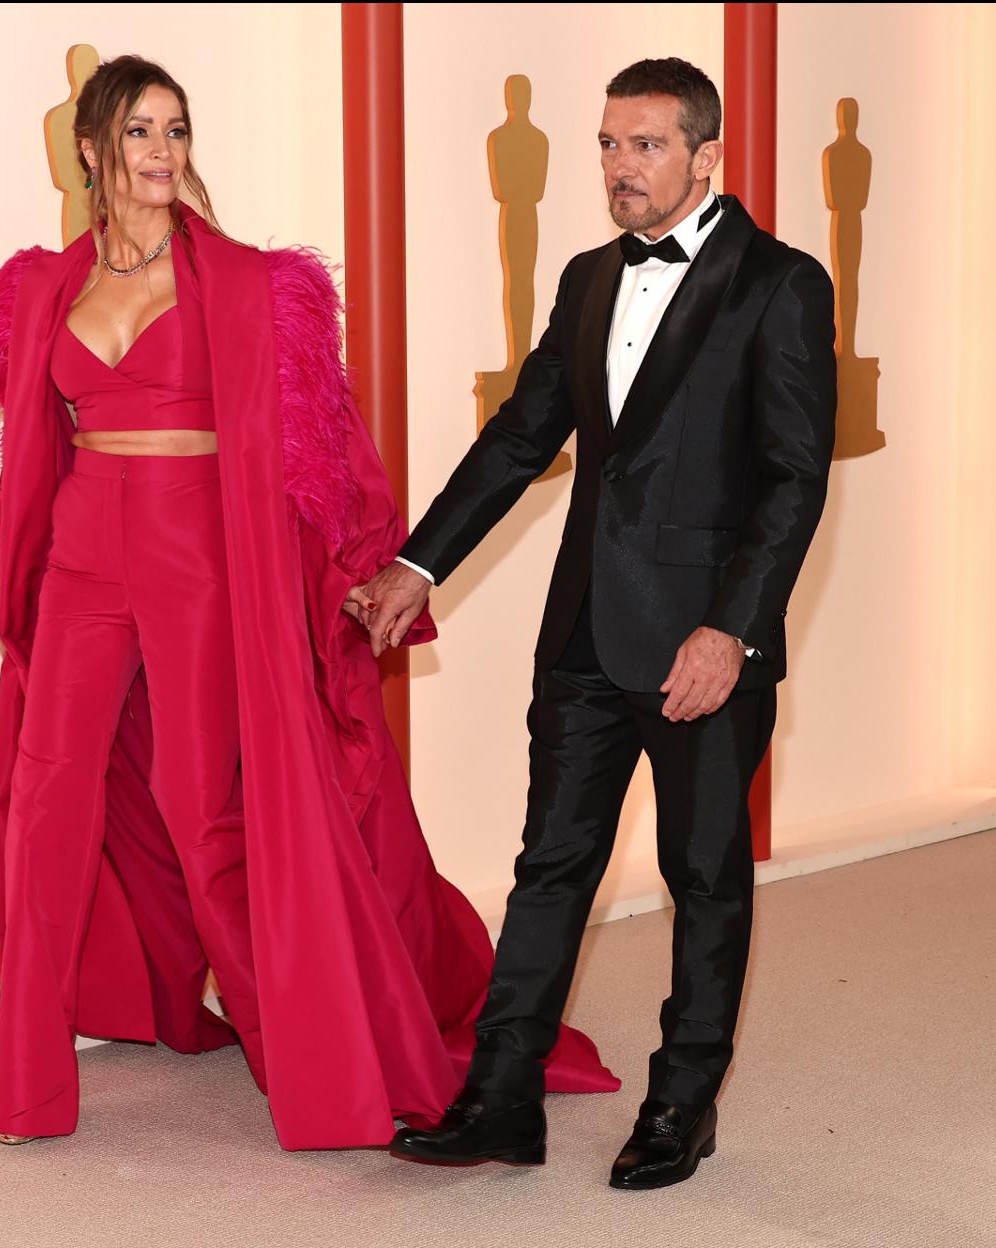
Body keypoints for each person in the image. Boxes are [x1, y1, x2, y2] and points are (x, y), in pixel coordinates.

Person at [0, 54, 618, 1152]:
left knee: (206, 811)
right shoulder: (41, 288)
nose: (162, 152)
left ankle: (309, 1052)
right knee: (45, 808)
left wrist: (370, 561)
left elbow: (324, 446)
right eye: (138, 133)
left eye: (175, 130)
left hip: (197, 562)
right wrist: (8, 548)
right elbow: (31, 442)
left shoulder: (254, 284)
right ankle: (26, 1088)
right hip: (83, 559)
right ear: (91, 150)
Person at [363, 57, 836, 1185]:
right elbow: (523, 435)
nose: (623, 169)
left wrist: (732, 630)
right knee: (550, 866)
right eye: (610, 146)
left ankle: (684, 1103)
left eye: (649, 146)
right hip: (583, 630)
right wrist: (420, 560)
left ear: (705, 154)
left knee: (704, 875)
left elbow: (792, 479)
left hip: (701, 645)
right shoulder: (584, 278)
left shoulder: (780, 283)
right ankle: (501, 1099)